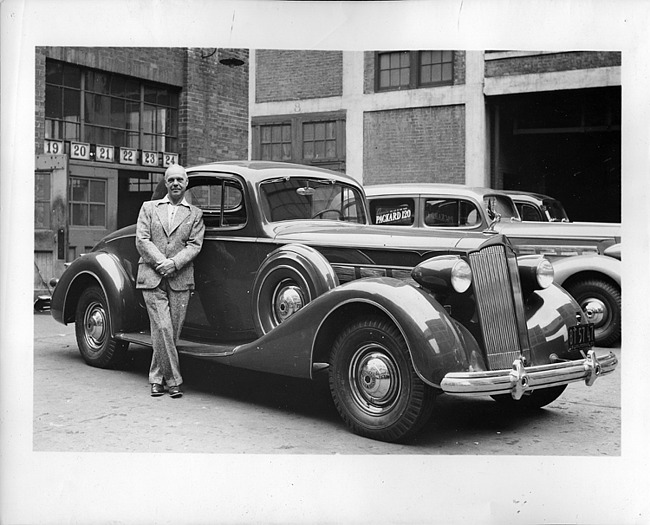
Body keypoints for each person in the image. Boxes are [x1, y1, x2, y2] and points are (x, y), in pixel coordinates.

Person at [135, 164, 205, 398]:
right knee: (163, 327)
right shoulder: (149, 208)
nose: (175, 183)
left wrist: (173, 264)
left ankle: (157, 379)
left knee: (170, 333)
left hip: (180, 277)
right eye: (171, 180)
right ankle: (174, 381)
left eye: (180, 180)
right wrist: (161, 263)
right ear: (165, 183)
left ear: (186, 184)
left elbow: (195, 245)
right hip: (152, 276)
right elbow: (142, 240)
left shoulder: (195, 214)